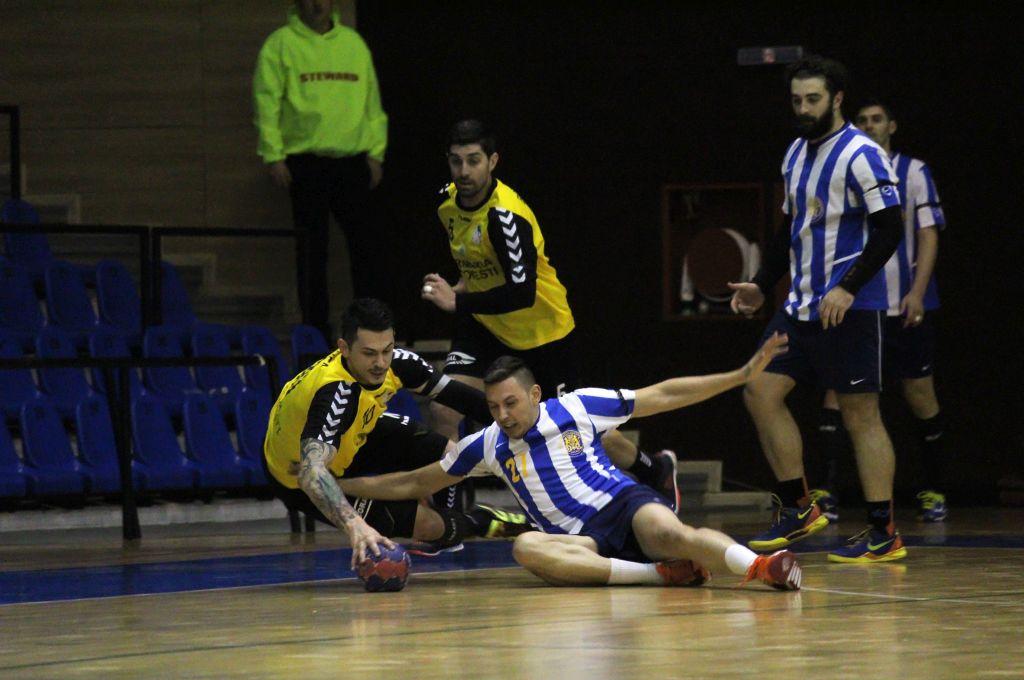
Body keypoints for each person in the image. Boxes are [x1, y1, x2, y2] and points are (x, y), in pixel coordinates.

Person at [338, 334, 804, 591]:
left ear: (535, 394)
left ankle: (762, 567)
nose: (503, 415)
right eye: (494, 407)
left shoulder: (578, 406)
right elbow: (414, 482)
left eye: (511, 403)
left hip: (623, 505)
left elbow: (662, 394)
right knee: (526, 548)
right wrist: (341, 488)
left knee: (671, 534)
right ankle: (657, 575)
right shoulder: (486, 444)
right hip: (581, 544)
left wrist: (740, 376)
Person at [421, 119, 680, 510]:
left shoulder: (506, 216)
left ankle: (653, 468)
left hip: (542, 333)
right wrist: (464, 284)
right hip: (485, 326)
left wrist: (458, 303)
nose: (464, 171)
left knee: (574, 429)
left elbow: (522, 293)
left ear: (493, 161)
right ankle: (447, 519)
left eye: (474, 161)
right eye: (456, 161)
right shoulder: (446, 201)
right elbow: (474, 253)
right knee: (444, 406)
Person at [728, 55, 908, 563]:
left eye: (813, 99)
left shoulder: (861, 153)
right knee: (759, 390)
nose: (803, 108)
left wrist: (848, 287)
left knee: (860, 415)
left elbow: (890, 229)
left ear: (837, 99)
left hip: (851, 306)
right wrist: (761, 284)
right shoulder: (794, 153)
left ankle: (883, 532)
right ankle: (799, 508)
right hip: (801, 304)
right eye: (796, 100)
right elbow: (789, 229)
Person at [262, 298, 529, 567]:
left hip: (357, 433)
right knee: (427, 524)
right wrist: (355, 525)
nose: (380, 363)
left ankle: (450, 530)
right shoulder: (334, 394)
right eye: (369, 353)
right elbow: (311, 473)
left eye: (386, 350)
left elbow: (464, 399)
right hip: (297, 478)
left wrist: (530, 430)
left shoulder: (398, 363)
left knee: (449, 452)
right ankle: (478, 522)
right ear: (344, 348)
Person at [811, 99, 950, 523]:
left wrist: (917, 291)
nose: (870, 125)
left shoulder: (914, 172)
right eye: (863, 120)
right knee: (838, 393)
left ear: (892, 125)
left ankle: (934, 489)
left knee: (919, 392)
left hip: (905, 305)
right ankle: (827, 491)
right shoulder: (844, 167)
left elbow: (928, 235)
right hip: (857, 304)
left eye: (877, 119)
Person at [253, 0, 389, 340]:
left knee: (367, 248)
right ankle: (315, 333)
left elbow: (372, 105)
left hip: (352, 161)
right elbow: (266, 103)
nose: (317, 4)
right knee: (312, 252)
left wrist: (376, 154)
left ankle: (371, 329)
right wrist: (274, 156)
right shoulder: (280, 44)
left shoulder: (353, 44)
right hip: (305, 163)